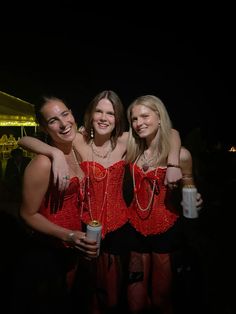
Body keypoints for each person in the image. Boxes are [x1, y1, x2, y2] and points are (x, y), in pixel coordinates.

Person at [19, 90, 182, 313]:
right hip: (86, 226)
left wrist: (173, 163)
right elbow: (24, 139)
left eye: (111, 113)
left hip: (120, 228)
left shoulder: (127, 141)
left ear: (118, 119)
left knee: (116, 297)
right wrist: (53, 154)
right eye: (99, 111)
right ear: (90, 114)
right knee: (88, 293)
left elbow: (170, 132)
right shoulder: (77, 138)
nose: (104, 118)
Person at [13, 96, 97, 314]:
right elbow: (27, 214)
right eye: (52, 121)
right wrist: (68, 235)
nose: (62, 123)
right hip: (51, 250)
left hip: (77, 248)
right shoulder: (42, 163)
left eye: (65, 114)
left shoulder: (78, 147)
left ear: (71, 113)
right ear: (43, 127)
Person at [124, 95, 203, 314]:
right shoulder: (131, 150)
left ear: (159, 117)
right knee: (135, 302)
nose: (139, 123)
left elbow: (190, 193)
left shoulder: (181, 155)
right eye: (134, 119)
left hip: (166, 232)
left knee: (161, 300)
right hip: (134, 230)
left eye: (145, 116)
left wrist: (194, 200)